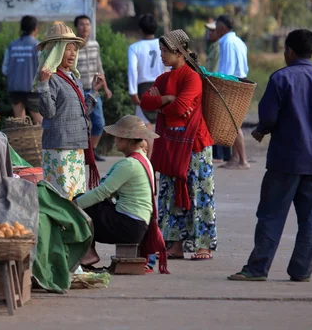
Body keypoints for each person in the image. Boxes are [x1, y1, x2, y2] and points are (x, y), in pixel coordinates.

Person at [228, 29, 312, 282]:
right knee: (308, 220)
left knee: (271, 215)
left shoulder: (281, 78)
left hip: (284, 161)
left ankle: (257, 269)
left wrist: (262, 130)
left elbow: (268, 117)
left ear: (289, 51)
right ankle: (302, 271)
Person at [141, 29, 217, 261]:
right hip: (170, 147)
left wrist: (163, 105)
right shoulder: (163, 79)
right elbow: (146, 101)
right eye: (161, 51)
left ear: (179, 53)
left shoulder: (192, 77)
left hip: (195, 146)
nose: (162, 56)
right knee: (169, 196)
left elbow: (181, 105)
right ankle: (173, 244)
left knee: (199, 194)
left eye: (165, 51)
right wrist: (166, 100)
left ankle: (202, 245)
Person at [74, 115, 167, 273]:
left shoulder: (129, 164)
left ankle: (88, 253)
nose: (115, 139)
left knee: (83, 208)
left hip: (130, 226)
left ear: (128, 140)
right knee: (91, 204)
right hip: (137, 224)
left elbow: (101, 192)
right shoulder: (142, 160)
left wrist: (74, 205)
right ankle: (88, 252)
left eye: (118, 137)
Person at [35, 23, 105, 200]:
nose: (73, 53)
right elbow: (48, 113)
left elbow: (82, 112)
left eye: (75, 49)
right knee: (62, 198)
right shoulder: (52, 79)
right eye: (68, 49)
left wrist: (94, 91)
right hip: (59, 147)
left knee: (76, 195)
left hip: (76, 147)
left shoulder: (74, 78)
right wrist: (43, 85)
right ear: (56, 51)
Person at [127, 14, 166, 159]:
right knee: (161, 124)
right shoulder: (162, 44)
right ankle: (158, 158)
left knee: (146, 126)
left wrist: (133, 91)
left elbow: (133, 69)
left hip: (143, 87)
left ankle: (149, 159)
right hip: (161, 85)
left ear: (140, 30)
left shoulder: (135, 47)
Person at [74, 15, 112, 161]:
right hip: (77, 90)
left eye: (88, 24)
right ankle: (80, 153)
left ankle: (92, 151)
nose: (85, 27)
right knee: (80, 124)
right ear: (76, 27)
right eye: (82, 24)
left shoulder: (95, 44)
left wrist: (106, 88)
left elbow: (99, 68)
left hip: (93, 90)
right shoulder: (73, 46)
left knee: (99, 123)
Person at [216, 15, 250, 169]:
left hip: (231, 82)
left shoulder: (228, 42)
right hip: (240, 80)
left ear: (222, 28)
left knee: (233, 123)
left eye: (217, 27)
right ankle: (235, 157)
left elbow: (227, 68)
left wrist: (220, 85)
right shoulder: (238, 41)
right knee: (233, 122)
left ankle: (242, 160)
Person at [2, 15, 42, 124]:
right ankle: (43, 141)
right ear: (35, 29)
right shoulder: (38, 46)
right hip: (32, 89)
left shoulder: (12, 45)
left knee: (20, 122)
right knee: (40, 121)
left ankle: (23, 141)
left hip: (15, 88)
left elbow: (5, 69)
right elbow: (43, 68)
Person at [205, 21, 231, 163]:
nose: (210, 34)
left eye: (212, 31)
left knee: (217, 121)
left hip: (216, 84)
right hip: (213, 83)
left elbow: (216, 69)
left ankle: (220, 154)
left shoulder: (219, 46)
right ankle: (220, 154)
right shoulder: (213, 46)